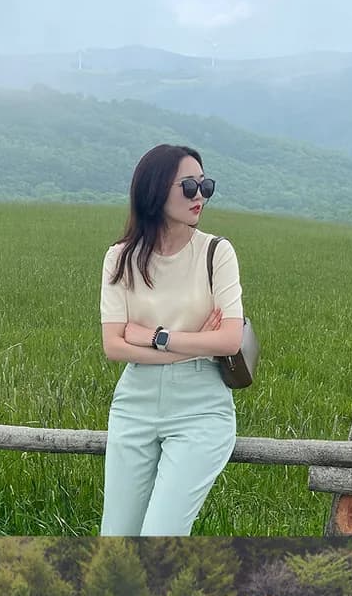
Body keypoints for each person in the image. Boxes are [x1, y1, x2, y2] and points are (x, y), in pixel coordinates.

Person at [98, 143, 245, 536]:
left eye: (205, 186)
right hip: (134, 405)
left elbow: (230, 340)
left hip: (201, 410)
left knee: (160, 535)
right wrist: (194, 341)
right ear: (155, 189)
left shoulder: (217, 253)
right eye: (189, 186)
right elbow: (113, 346)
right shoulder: (121, 258)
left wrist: (155, 338)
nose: (200, 196)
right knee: (116, 537)